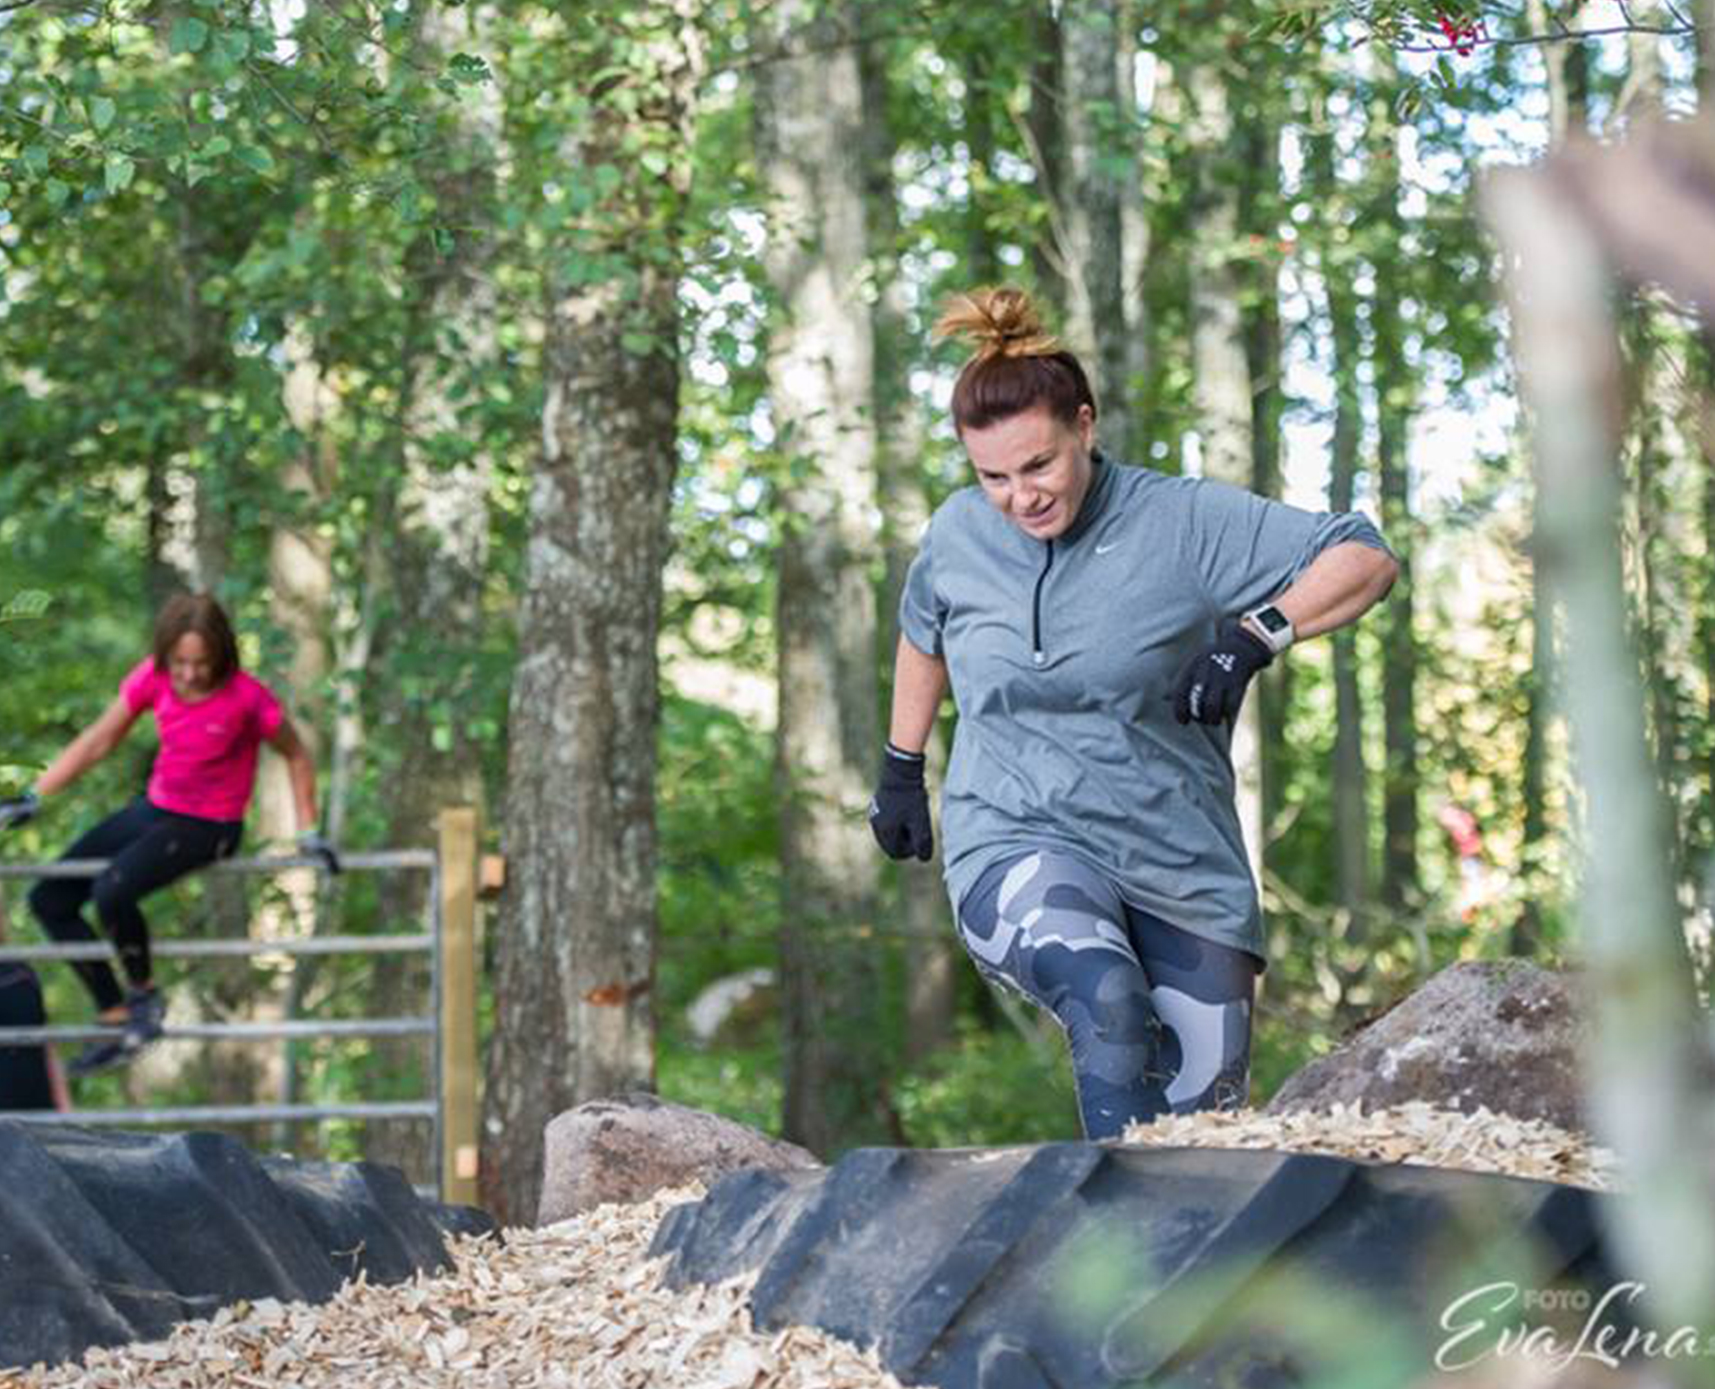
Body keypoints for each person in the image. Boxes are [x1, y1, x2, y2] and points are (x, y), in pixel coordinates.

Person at [868, 287, 1399, 1140]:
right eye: (993, 476)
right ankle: (1111, 1221)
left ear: (1083, 426)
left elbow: (1363, 554)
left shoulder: (1181, 522)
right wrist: (901, 765)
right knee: (1105, 996)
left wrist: (1254, 636)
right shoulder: (958, 533)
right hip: (1017, 832)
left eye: (1038, 465)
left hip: (1180, 862)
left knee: (1199, 1136)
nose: (1019, 497)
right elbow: (922, 632)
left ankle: (1166, 1225)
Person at [0, 593, 340, 1077]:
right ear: (165, 655)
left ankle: (145, 1000)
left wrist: (308, 831)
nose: (189, 674)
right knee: (49, 899)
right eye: (180, 662)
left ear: (222, 655)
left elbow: (297, 753)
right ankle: (114, 1013)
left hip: (212, 824)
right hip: (157, 809)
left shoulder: (248, 697)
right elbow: (99, 740)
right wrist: (34, 795)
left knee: (112, 890)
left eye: (201, 663)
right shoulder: (152, 677)